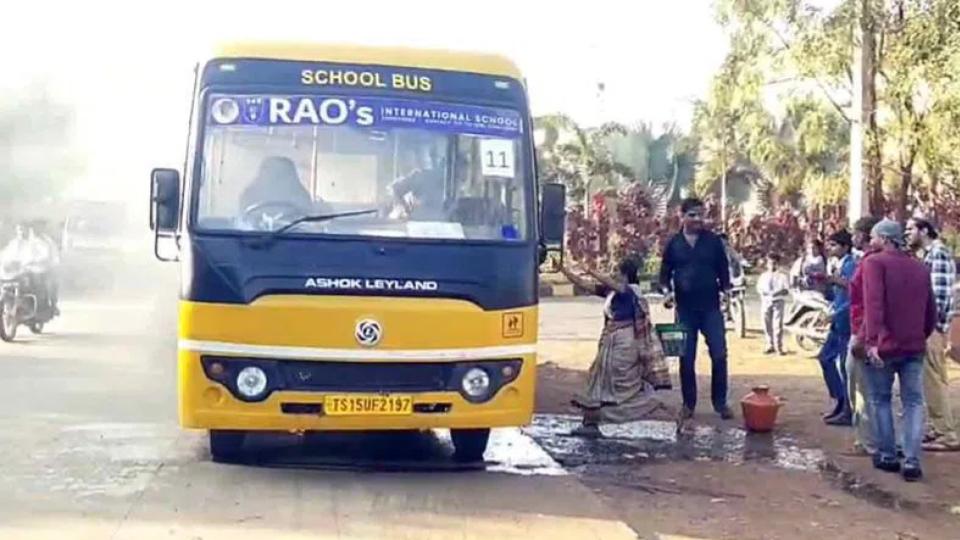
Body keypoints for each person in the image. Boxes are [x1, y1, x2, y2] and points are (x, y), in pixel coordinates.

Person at [859, 219, 936, 481]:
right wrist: (920, 335)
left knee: (880, 399)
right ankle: (912, 460)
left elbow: (874, 305)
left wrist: (872, 341)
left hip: (886, 344)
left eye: (873, 237)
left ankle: (888, 455)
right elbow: (931, 311)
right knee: (913, 402)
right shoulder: (920, 267)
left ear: (884, 238)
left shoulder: (874, 263)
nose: (870, 241)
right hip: (914, 345)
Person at [560, 257, 665, 436]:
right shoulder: (614, 292)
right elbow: (584, 285)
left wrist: (591, 270)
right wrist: (563, 270)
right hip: (611, 340)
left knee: (617, 387)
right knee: (600, 383)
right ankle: (590, 423)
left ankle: (659, 408)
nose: (614, 275)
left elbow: (615, 285)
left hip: (623, 344)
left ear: (625, 275)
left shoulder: (631, 291)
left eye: (617, 272)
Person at [659, 197, 733, 420]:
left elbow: (724, 270)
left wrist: (727, 293)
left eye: (701, 214)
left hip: (711, 309)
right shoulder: (673, 244)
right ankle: (688, 404)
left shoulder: (713, 242)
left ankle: (720, 403)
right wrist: (667, 293)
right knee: (686, 358)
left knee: (719, 355)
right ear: (681, 217)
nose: (698, 219)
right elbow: (663, 277)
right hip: (684, 311)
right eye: (692, 215)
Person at [906, 217, 960, 451]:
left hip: (932, 328)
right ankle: (939, 428)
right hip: (933, 328)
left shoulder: (937, 253)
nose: (907, 234)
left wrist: (931, 327)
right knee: (933, 379)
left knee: (934, 380)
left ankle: (946, 434)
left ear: (924, 230)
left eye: (910, 229)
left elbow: (938, 295)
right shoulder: (930, 254)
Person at [848, 215, 881, 456]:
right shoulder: (866, 261)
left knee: (863, 387)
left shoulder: (871, 263)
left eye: (855, 233)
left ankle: (870, 440)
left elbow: (873, 303)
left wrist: (862, 337)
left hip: (863, 331)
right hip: (860, 328)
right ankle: (865, 438)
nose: (852, 237)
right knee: (859, 385)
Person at [819, 230, 856, 425]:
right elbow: (836, 295)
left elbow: (853, 292)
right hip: (837, 319)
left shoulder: (851, 265)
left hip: (845, 321)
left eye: (834, 245)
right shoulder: (838, 265)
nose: (829, 248)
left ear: (845, 247)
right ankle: (841, 400)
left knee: (843, 366)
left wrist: (833, 281)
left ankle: (847, 408)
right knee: (825, 358)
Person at [756, 253, 789, 355]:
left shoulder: (782, 276)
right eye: (770, 263)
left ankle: (778, 346)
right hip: (766, 301)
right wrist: (764, 293)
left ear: (778, 264)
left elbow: (786, 290)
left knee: (777, 324)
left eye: (774, 263)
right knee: (766, 324)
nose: (772, 265)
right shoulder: (763, 276)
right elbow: (759, 288)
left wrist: (778, 292)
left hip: (778, 301)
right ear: (767, 264)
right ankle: (769, 345)